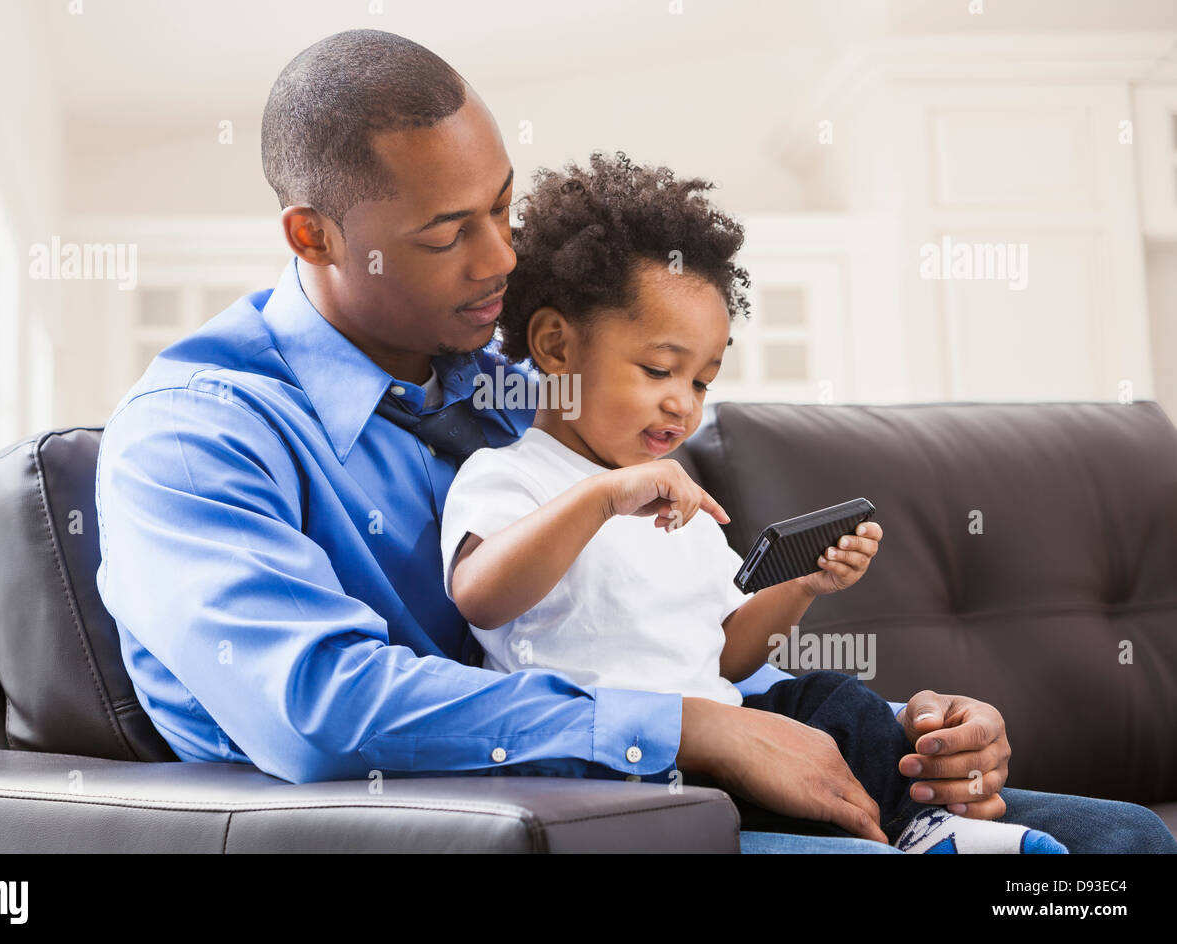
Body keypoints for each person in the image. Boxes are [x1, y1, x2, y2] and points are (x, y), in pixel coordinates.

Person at [94, 28, 1177, 853]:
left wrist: (913, 730)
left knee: (1127, 845)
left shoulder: (537, 388)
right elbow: (323, 711)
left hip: (670, 767)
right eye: (446, 233)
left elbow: (668, 631)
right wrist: (684, 731)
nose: (500, 261)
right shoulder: (196, 438)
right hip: (541, 817)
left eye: (502, 210)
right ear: (314, 236)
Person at [440, 152, 1075, 853]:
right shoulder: (509, 476)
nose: (682, 403)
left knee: (832, 699)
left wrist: (802, 584)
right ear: (557, 346)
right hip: (618, 769)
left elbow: (730, 654)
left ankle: (921, 824)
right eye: (657, 369)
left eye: (703, 381)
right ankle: (918, 832)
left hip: (733, 737)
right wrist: (603, 497)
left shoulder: (678, 494)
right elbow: (481, 595)